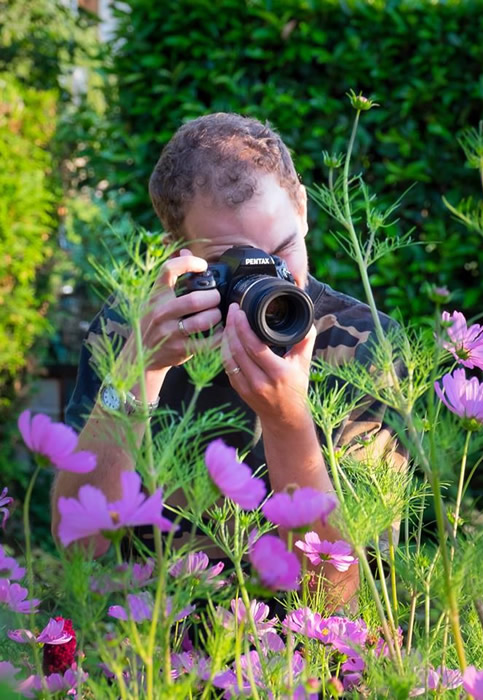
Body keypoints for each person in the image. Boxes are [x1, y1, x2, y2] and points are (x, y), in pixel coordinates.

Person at [50, 112, 406, 608]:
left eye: (283, 249)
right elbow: (78, 545)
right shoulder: (130, 329)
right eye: (233, 263)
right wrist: (137, 373)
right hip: (152, 658)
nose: (271, 278)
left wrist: (288, 423)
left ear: (302, 208)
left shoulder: (363, 344)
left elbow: (336, 600)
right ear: (179, 253)